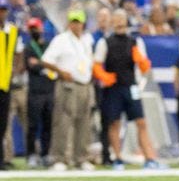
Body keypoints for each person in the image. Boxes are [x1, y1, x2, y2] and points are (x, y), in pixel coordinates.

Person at [93, 10, 162, 170]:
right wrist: (104, 76)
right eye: (116, 19)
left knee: (141, 122)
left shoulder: (135, 41)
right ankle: (117, 158)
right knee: (114, 123)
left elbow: (145, 67)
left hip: (131, 86)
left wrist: (141, 61)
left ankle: (149, 157)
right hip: (113, 88)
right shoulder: (105, 42)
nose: (119, 22)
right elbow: (96, 64)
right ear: (112, 22)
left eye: (121, 19)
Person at [40, 9, 95, 170]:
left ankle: (81, 158)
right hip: (67, 85)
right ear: (69, 23)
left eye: (78, 22)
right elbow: (46, 60)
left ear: (83, 24)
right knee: (63, 121)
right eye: (73, 22)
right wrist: (61, 72)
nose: (76, 25)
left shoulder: (86, 40)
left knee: (84, 122)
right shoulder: (61, 40)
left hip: (85, 84)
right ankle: (60, 158)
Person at [22, 18, 54, 167]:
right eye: (32, 28)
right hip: (35, 91)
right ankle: (31, 154)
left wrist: (40, 64)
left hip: (49, 90)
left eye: (36, 28)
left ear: (41, 29)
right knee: (33, 125)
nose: (34, 31)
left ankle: (45, 153)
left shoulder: (48, 46)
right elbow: (31, 66)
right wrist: (45, 66)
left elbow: (51, 64)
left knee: (48, 124)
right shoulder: (28, 47)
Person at [0, 0, 20, 169]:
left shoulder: (12, 30)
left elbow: (18, 52)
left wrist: (16, 69)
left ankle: (1, 159)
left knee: (3, 124)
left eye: (3, 10)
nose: (1, 13)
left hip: (5, 84)